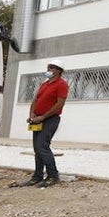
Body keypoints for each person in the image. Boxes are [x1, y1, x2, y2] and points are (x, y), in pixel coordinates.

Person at [20, 58, 69, 188]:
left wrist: (43, 117)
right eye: (49, 67)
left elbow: (59, 104)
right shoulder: (45, 84)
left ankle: (53, 176)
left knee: (42, 146)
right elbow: (36, 99)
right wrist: (32, 114)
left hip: (50, 119)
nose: (49, 69)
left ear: (59, 71)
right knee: (37, 148)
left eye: (52, 67)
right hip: (37, 119)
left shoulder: (61, 84)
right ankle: (37, 176)